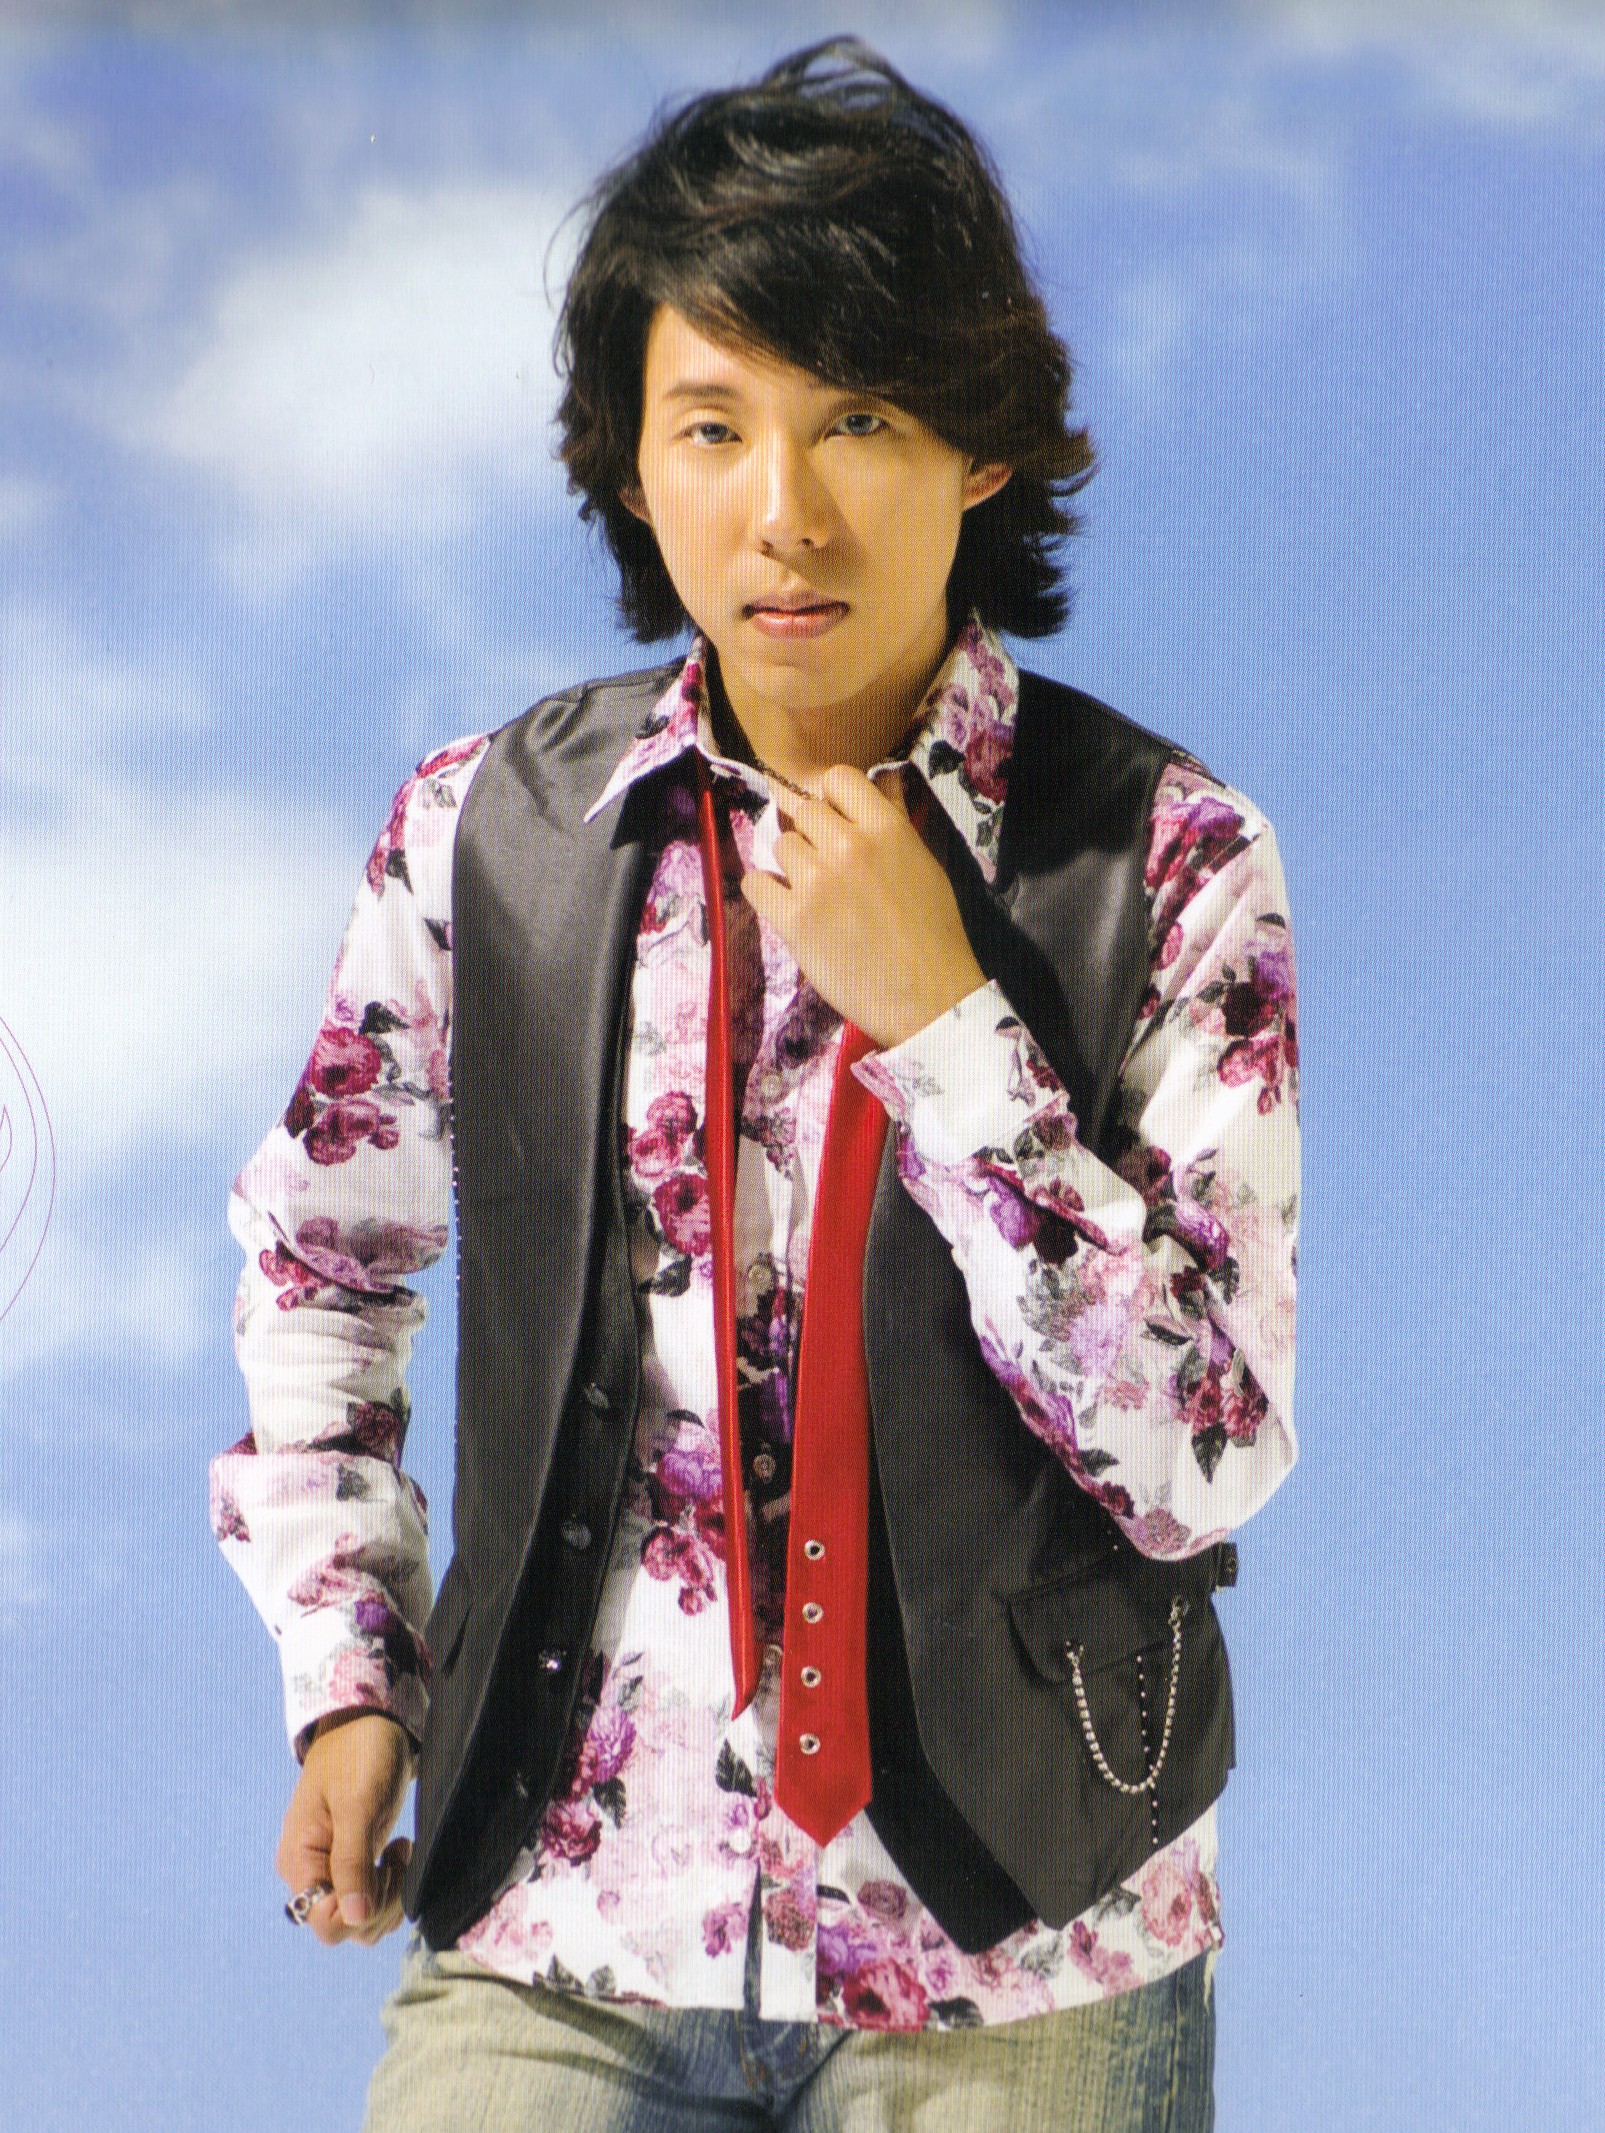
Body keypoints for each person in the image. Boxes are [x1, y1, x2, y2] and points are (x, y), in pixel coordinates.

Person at [211, 38, 1298, 2132]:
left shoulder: (1165, 859)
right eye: (710, 426)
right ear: (631, 466)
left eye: (858, 418)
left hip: (1027, 1945)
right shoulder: (486, 832)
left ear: (980, 449)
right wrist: (350, 1673)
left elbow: (1202, 1452)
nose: (782, 511)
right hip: (564, 1911)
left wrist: (944, 1028)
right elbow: (321, 1267)